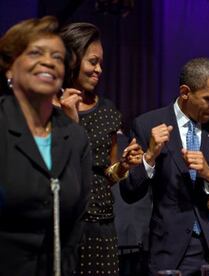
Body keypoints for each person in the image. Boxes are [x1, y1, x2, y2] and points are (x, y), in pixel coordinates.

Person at [120, 57, 209, 275]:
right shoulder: (147, 123)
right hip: (169, 251)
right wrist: (149, 156)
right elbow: (129, 192)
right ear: (185, 92)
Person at [0, 16, 91, 276]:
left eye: (58, 57)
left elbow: (76, 218)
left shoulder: (75, 137)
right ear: (9, 68)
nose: (49, 61)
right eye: (35, 53)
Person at [56, 22, 143, 275]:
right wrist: (69, 122)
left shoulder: (107, 111)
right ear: (71, 60)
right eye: (93, 62)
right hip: (62, 222)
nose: (99, 70)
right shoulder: (46, 108)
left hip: (101, 225)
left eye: (101, 63)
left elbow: (109, 175)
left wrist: (124, 166)